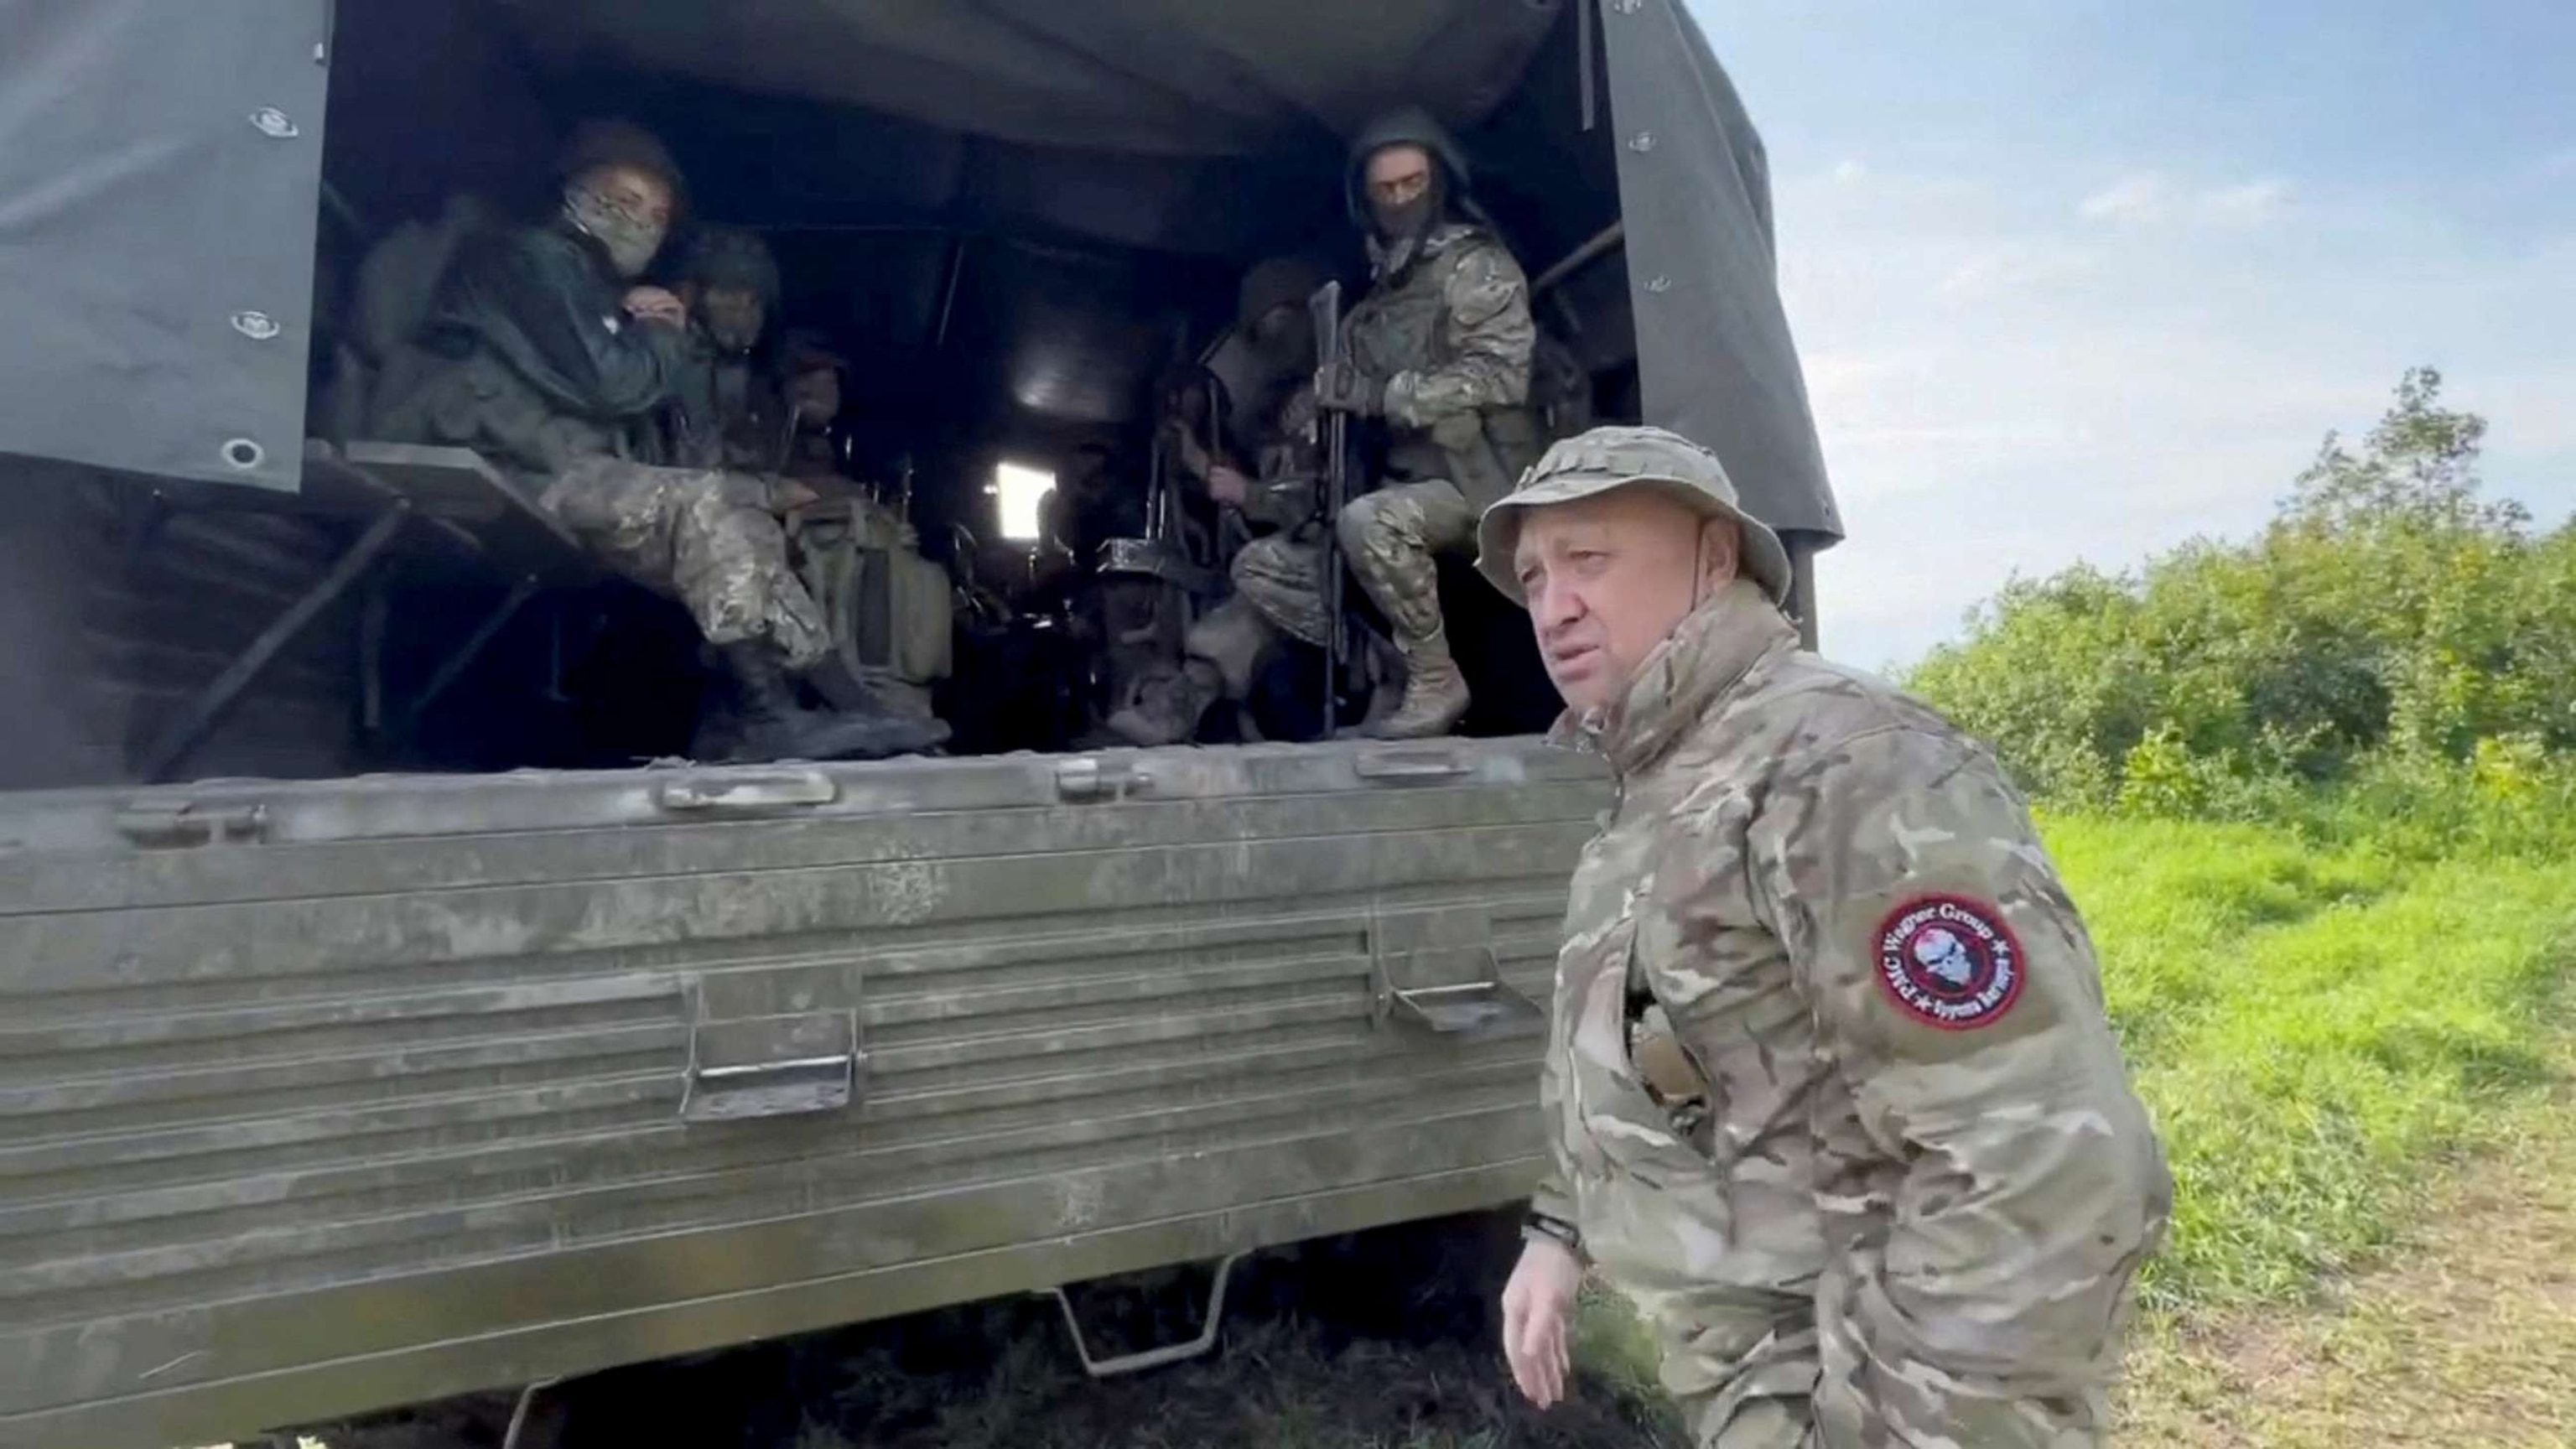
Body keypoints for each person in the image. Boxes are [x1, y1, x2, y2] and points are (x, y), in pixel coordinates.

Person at [1483, 426, 2171, 1447]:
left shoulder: (1845, 768)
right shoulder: (1664, 780)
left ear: (1715, 559)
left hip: (1846, 1383)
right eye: (1535, 577)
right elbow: (1656, 1043)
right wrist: (1561, 1228)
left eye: (1590, 559)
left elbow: (2035, 1165)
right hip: (1749, 1374)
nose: (1553, 607)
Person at [367, 120, 943, 762]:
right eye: (621, 200)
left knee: (739, 520)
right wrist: (662, 331)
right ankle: (771, 718)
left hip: (552, 466)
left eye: (655, 213)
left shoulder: (587, 285)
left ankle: (851, 709)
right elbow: (615, 386)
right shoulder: (529, 258)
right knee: (711, 507)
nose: (638, 221)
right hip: (506, 458)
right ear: (573, 193)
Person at [1310, 107, 1543, 739]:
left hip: (1482, 481)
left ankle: (1436, 680)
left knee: (1370, 524)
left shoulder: (1475, 266)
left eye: (1413, 185)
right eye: (1386, 191)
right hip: (1410, 477)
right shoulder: (1377, 296)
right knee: (1309, 553)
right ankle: (1388, 678)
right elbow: (1350, 384)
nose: (1401, 200)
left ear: (1438, 183)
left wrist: (1380, 395)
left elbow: (1499, 377)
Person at [1106, 258, 1339, 746]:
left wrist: (1248, 495)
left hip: (1341, 558)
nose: (1272, 340)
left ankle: (1183, 703)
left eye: (1277, 323)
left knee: (1248, 594)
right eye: (1259, 331)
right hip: (1291, 559)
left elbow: (1324, 498)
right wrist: (1197, 462)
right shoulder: (1279, 410)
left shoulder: (1341, 400)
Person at [657, 225, 794, 472]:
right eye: (727, 293)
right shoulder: (661, 360)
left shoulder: (754, 373)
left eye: (753, 299)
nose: (742, 308)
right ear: (687, 294)